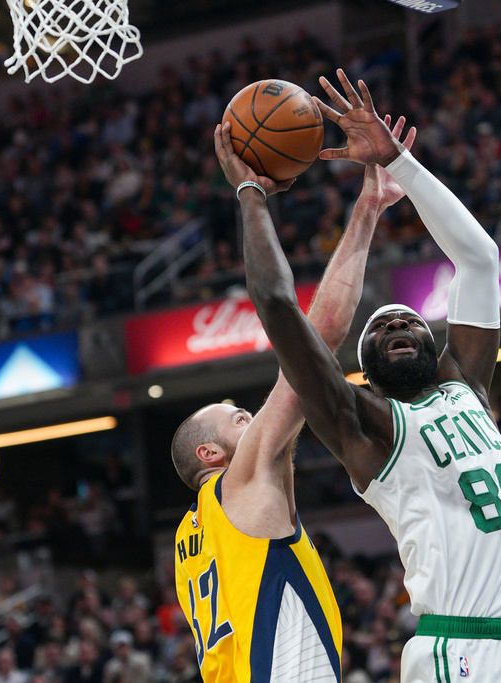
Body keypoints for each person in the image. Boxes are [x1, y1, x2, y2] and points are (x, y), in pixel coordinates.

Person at [218, 67, 501, 682]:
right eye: (379, 331)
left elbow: (480, 258)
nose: (398, 329)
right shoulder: (369, 428)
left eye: (409, 322)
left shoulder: (466, 387)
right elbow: (278, 303)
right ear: (367, 374)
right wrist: (250, 194)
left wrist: (400, 164)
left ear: (435, 346)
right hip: (460, 653)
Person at [173, 118, 416, 682]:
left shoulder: (193, 542)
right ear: (212, 455)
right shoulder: (242, 479)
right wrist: (367, 210)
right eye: (238, 419)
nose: (254, 420)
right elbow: (320, 335)